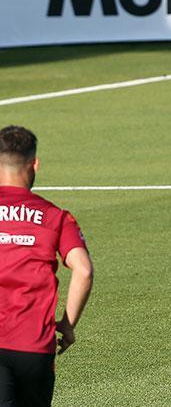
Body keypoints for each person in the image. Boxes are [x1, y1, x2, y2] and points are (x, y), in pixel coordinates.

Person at [0, 125, 93, 406]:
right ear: (35, 164)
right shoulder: (56, 216)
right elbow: (84, 270)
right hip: (34, 346)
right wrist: (68, 324)